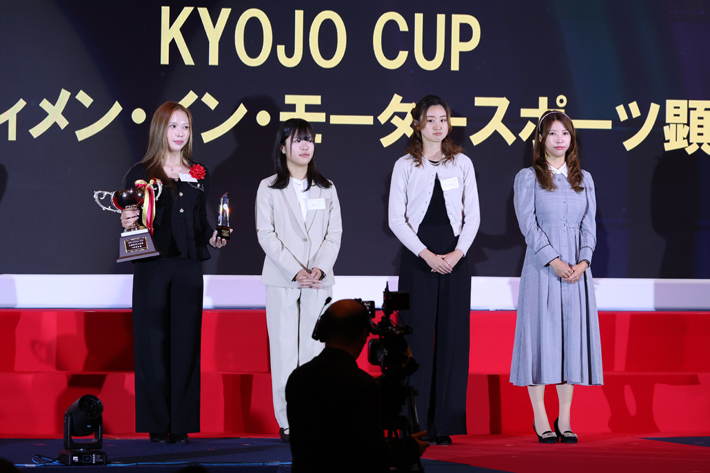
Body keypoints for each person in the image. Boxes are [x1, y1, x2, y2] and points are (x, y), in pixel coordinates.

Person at [120, 102, 229, 444]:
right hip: (151, 266)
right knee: (152, 344)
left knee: (186, 344)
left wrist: (214, 236)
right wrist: (127, 219)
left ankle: (181, 423)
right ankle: (156, 423)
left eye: (185, 126)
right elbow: (131, 217)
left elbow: (201, 221)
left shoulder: (198, 171)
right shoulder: (141, 172)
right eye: (173, 126)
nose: (180, 133)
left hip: (188, 267)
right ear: (160, 129)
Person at [388, 95, 480, 445]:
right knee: (417, 338)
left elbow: (473, 216)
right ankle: (415, 422)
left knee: (453, 339)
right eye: (431, 119)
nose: (438, 126)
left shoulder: (462, 164)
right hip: (418, 257)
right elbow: (396, 219)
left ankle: (445, 424)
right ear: (417, 124)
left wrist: (458, 253)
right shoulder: (405, 165)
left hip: (456, 257)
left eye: (443, 119)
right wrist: (426, 254)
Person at [510, 110, 603, 444]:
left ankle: (564, 419)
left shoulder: (584, 179)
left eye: (565, 133)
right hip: (542, 270)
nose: (560, 139)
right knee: (540, 340)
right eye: (552, 133)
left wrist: (584, 261)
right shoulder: (528, 177)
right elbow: (528, 225)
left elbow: (589, 225)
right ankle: (539, 417)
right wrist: (554, 260)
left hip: (577, 273)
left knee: (570, 342)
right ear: (541, 139)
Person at [255, 118, 342, 443]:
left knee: (314, 352)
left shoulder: (327, 187)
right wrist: (295, 271)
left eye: (309, 140)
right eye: (297, 140)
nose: (305, 146)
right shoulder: (268, 187)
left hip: (318, 282)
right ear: (283, 147)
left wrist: (318, 268)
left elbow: (334, 233)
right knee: (284, 353)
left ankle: (313, 416)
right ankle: (288, 420)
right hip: (282, 280)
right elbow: (266, 233)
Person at [286, 299, 428, 473]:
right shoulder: (362, 385)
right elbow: (369, 455)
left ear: (322, 331)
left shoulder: (297, 378)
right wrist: (410, 447)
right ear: (363, 335)